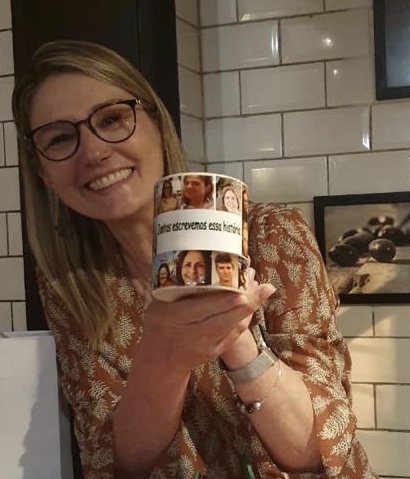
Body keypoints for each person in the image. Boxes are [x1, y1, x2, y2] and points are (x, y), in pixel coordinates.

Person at [12, 39, 377, 479]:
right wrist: (163, 355)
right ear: (43, 172)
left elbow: (318, 451)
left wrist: (235, 337)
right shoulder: (70, 283)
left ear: (156, 123)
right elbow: (115, 462)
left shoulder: (271, 235)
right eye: (59, 138)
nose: (93, 152)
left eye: (111, 119)